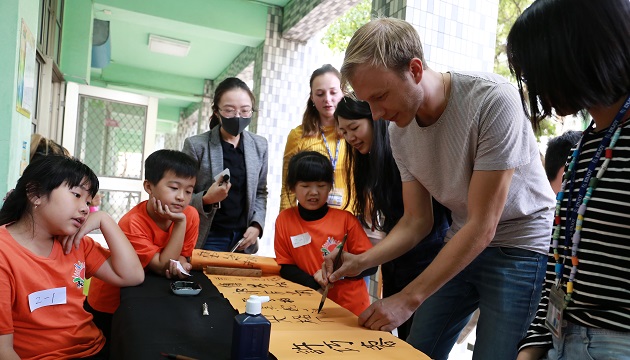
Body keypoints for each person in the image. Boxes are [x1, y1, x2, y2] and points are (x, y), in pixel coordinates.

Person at [323, 17, 556, 360]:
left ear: (415, 69)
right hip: (462, 241)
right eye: (367, 102)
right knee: (416, 351)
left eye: (380, 96)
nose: (376, 113)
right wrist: (361, 261)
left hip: (520, 245)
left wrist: (407, 298)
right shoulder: (399, 131)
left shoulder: (492, 100)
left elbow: (483, 224)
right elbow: (417, 221)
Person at [507, 1, 630, 359]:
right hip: (562, 341)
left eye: (535, 69)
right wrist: (532, 346)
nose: (533, 83)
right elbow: (561, 263)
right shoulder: (586, 144)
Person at [0, 156, 144, 359]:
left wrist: (105, 220)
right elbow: (3, 350)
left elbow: (133, 275)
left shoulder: (75, 243)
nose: (85, 208)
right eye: (76, 195)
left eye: (87, 201)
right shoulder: (4, 253)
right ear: (35, 194)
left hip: (94, 349)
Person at [335, 95, 450, 339]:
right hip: (398, 261)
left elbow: (417, 222)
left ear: (375, 119)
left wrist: (363, 260)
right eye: (343, 132)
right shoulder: (368, 162)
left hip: (428, 259)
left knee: (421, 344)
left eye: (354, 128)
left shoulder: (404, 150)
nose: (350, 137)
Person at [86, 149, 200, 346]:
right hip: (112, 302)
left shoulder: (190, 215)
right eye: (174, 188)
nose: (182, 197)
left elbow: (182, 257)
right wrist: (179, 224)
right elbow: (163, 265)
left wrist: (183, 263)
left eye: (189, 191)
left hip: (149, 295)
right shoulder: (132, 222)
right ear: (149, 186)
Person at [274, 151, 375, 316]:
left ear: (329, 186)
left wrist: (339, 272)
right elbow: (286, 267)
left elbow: (371, 265)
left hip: (350, 308)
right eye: (305, 186)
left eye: (321, 186)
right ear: (292, 187)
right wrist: (314, 284)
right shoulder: (285, 220)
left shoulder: (346, 220)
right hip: (307, 306)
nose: (313, 192)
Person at [183, 77, 268, 253]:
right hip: (208, 236)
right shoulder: (196, 145)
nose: (238, 117)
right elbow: (181, 193)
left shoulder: (260, 145)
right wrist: (207, 199)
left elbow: (260, 191)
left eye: (245, 111)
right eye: (229, 110)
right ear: (216, 112)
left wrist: (257, 225)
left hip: (243, 238)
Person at [280, 64, 353, 212]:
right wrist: (286, 221)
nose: (327, 99)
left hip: (352, 218)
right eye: (320, 94)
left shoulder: (353, 132)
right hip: (312, 220)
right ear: (312, 97)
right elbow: (288, 186)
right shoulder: (298, 135)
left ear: (343, 93)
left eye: (333, 92)